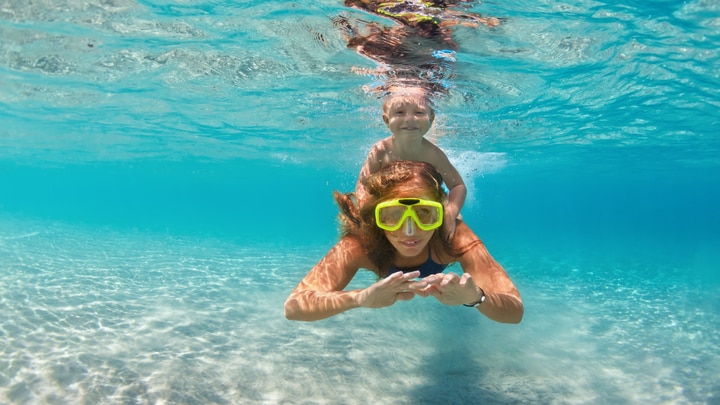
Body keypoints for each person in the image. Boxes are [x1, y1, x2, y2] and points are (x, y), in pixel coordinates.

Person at [284, 160, 523, 324]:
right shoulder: (361, 242)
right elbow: (293, 306)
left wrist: (475, 297)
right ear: (377, 218)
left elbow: (514, 310)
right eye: (393, 215)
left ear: (439, 214)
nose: (410, 231)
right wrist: (360, 298)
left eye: (424, 214)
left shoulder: (452, 236)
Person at [355, 86, 466, 242]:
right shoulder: (380, 150)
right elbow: (362, 185)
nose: (410, 118)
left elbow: (458, 186)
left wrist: (450, 212)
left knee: (457, 221)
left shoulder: (433, 154)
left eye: (419, 112)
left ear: (431, 118)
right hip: (391, 206)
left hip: (427, 204)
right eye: (400, 112)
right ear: (386, 120)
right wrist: (365, 211)